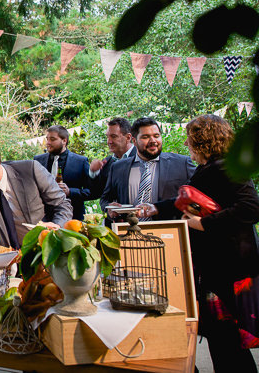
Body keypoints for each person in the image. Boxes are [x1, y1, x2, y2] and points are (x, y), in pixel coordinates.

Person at [138, 114, 259, 371]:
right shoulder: (210, 168)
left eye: (190, 139)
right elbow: (189, 198)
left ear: (202, 141)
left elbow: (251, 207)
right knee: (223, 341)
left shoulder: (225, 167)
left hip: (230, 269)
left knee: (228, 342)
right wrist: (154, 209)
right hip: (218, 268)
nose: (186, 143)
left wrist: (204, 224)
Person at [100, 116, 195, 221]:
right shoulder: (118, 167)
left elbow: (196, 195)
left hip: (170, 231)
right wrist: (109, 208)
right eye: (145, 137)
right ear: (134, 141)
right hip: (131, 232)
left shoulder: (181, 163)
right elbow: (105, 199)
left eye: (156, 136)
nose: (153, 141)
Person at [33, 125, 91, 219]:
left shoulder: (81, 161)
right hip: (43, 217)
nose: (48, 143)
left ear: (64, 141)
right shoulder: (38, 160)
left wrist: (70, 192)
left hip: (73, 218)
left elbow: (90, 191)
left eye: (52, 139)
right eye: (47, 139)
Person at [86, 117, 137, 201]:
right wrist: (93, 172)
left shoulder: (141, 158)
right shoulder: (107, 162)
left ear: (128, 137)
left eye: (113, 136)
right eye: (107, 137)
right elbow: (95, 193)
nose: (109, 141)